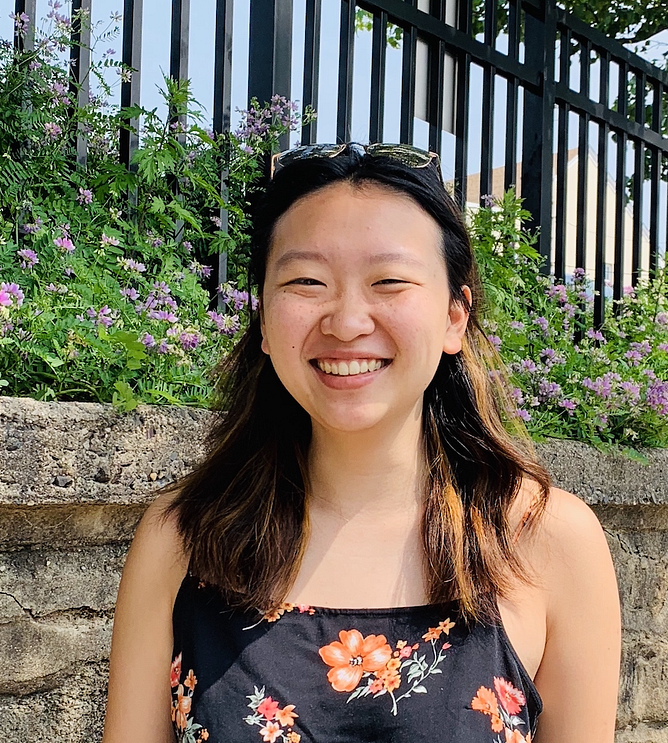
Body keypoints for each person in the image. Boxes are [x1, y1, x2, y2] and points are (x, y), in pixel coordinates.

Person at [102, 143, 621, 743]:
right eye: (307, 281)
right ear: (265, 321)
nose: (347, 322)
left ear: (455, 315)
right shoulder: (183, 537)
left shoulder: (545, 539)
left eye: (390, 281)